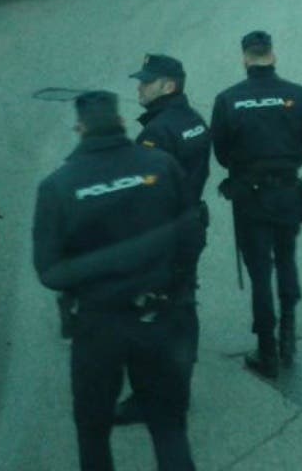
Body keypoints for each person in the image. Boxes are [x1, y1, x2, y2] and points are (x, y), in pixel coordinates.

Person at [33, 91, 203, 471]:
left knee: (93, 431)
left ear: (79, 129)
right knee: (168, 427)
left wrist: (99, 271)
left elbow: (49, 272)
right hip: (159, 317)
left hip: (97, 328)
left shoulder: (58, 187)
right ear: (123, 123)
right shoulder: (161, 166)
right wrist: (173, 284)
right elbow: (191, 234)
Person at [112, 54, 211, 425]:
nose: (139, 86)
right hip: (191, 227)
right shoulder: (195, 121)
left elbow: (143, 193)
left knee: (147, 313)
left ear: (169, 86)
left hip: (161, 235)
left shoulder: (156, 133)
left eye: (147, 81)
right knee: (184, 306)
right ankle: (181, 389)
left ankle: (146, 396)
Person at [210, 30, 302, 379]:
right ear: (273, 55)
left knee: (260, 274)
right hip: (288, 193)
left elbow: (222, 153)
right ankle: (289, 336)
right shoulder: (299, 95)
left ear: (245, 58)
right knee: (287, 261)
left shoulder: (227, 100)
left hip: (250, 197)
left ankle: (266, 351)